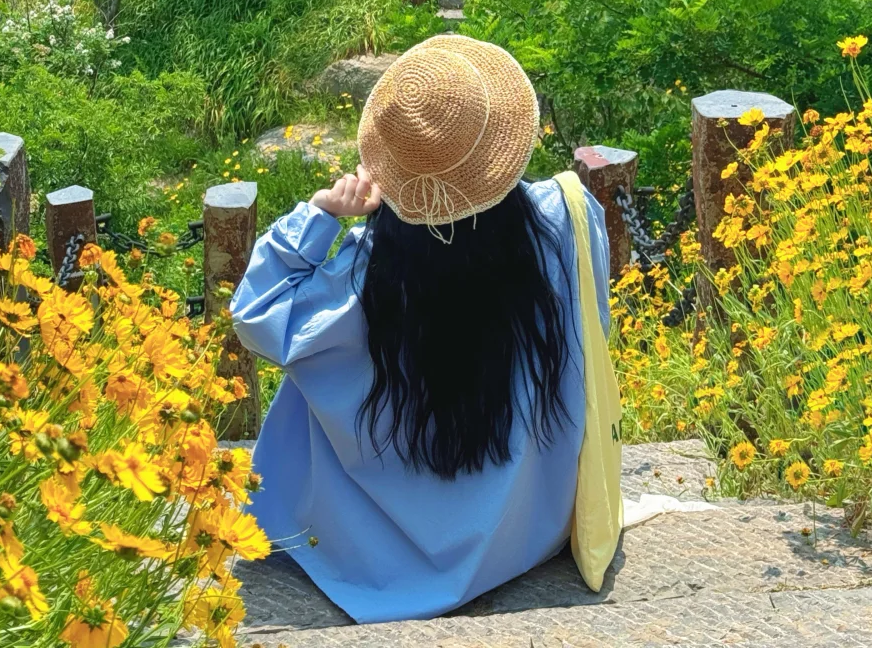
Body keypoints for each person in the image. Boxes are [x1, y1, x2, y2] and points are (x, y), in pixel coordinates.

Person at [230, 34, 619, 624]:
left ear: (387, 166)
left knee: (314, 364)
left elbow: (255, 313)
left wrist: (321, 214)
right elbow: (595, 327)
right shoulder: (566, 218)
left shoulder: (361, 281)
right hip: (525, 532)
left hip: (374, 558)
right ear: (500, 145)